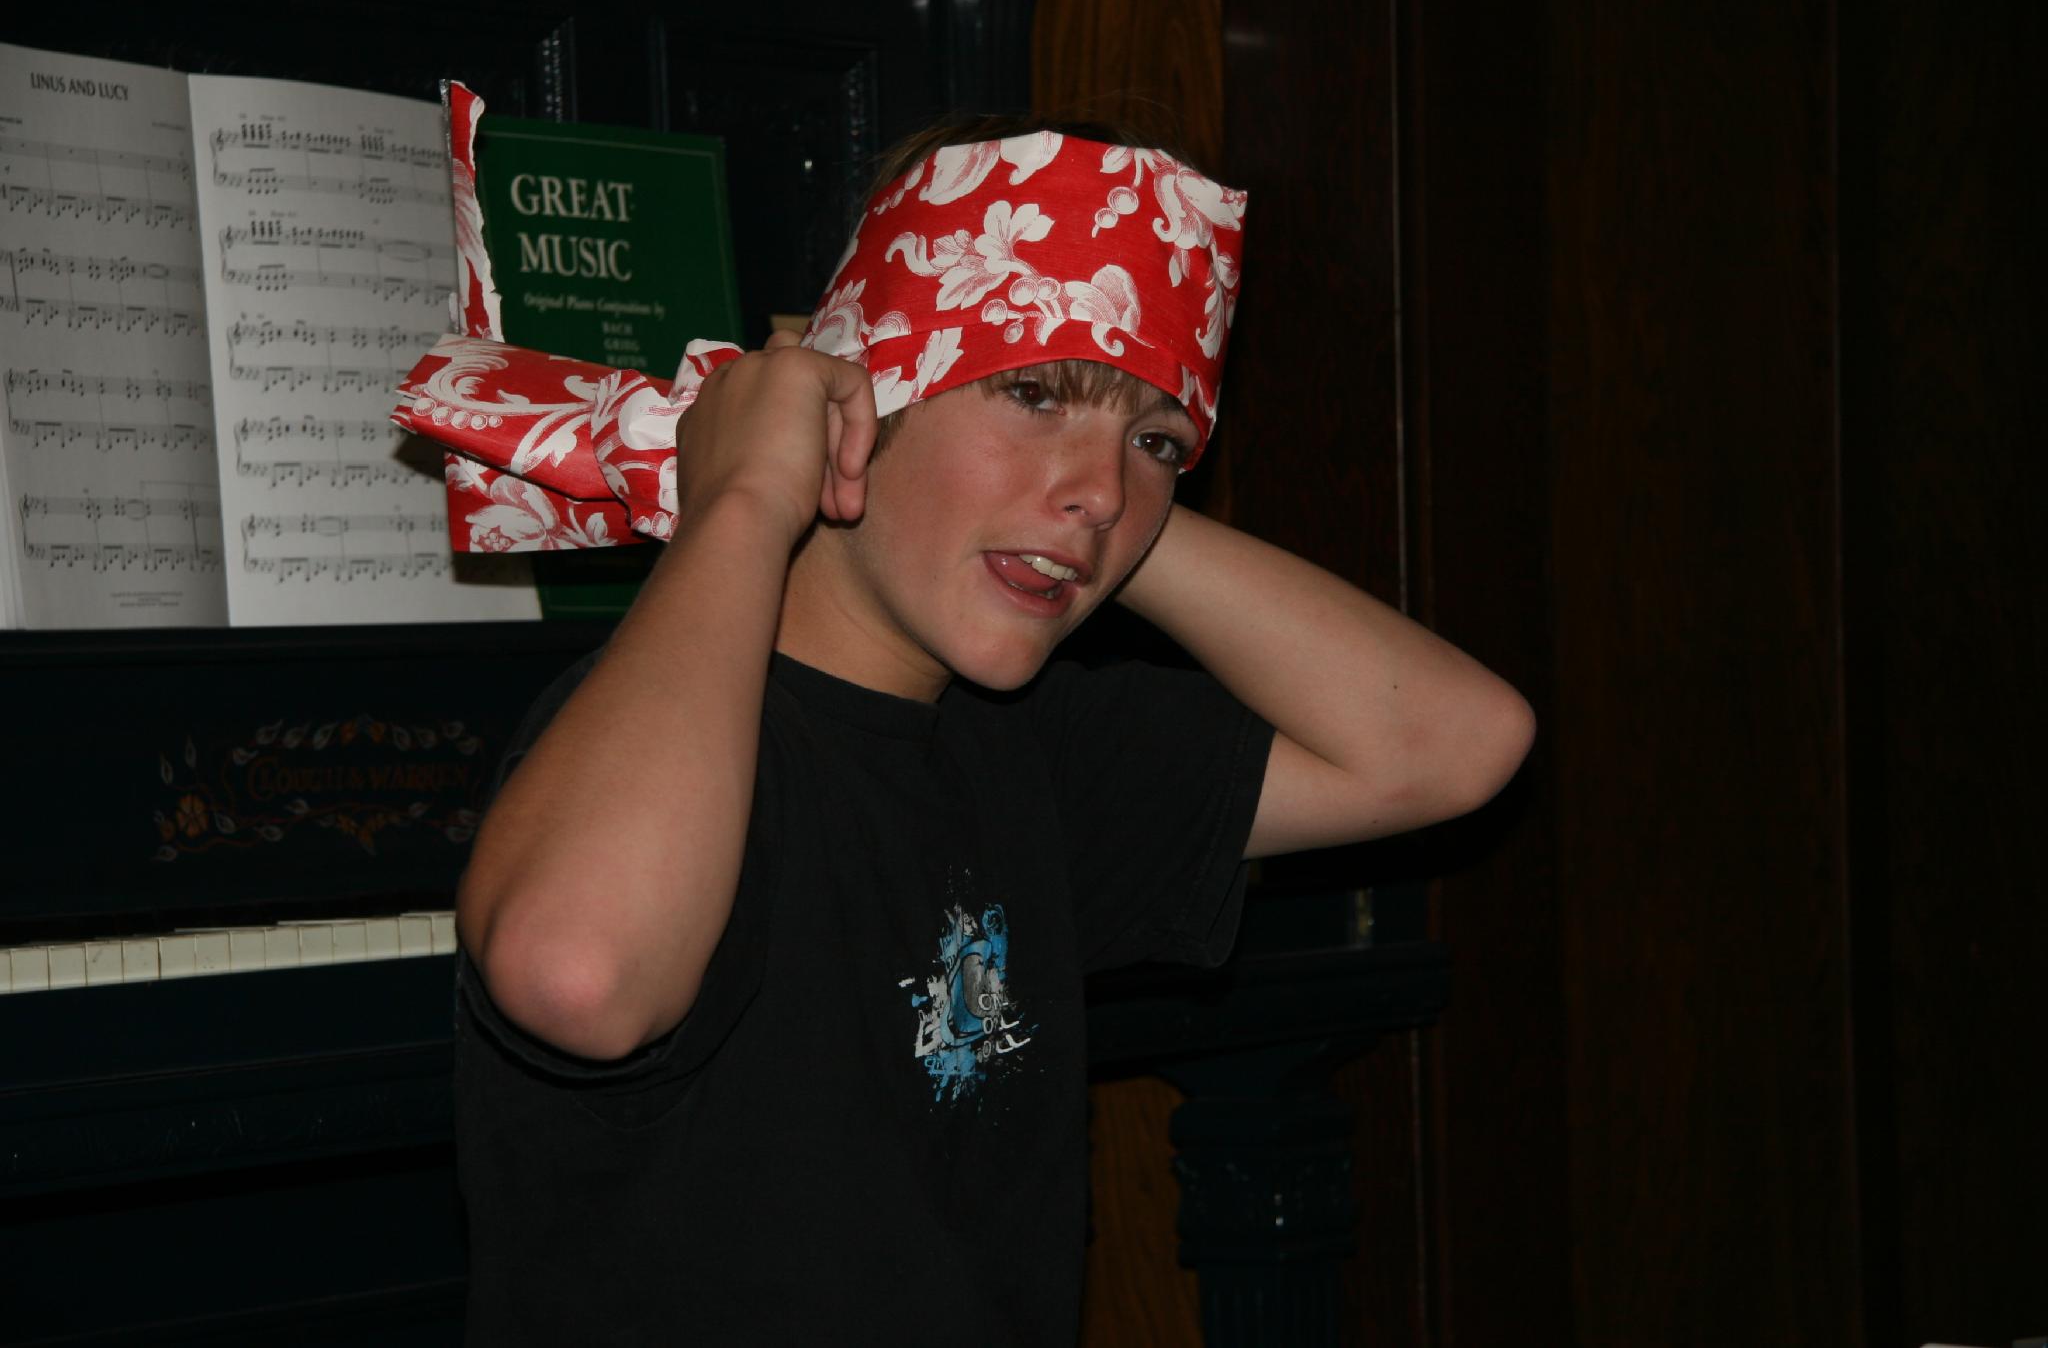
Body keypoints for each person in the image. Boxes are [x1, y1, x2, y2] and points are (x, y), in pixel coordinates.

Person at [443, 117, 1534, 1344]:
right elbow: (577, 975)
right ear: (853, 404)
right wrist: (745, 496)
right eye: (1029, 390)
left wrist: (1087, 501)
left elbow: (1456, 742)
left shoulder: (1037, 747)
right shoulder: (664, 740)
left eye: (1159, 445)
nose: (1104, 492)